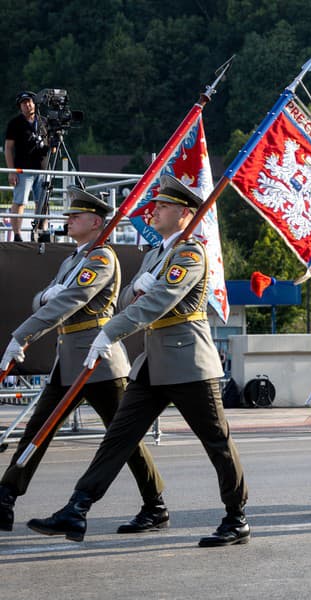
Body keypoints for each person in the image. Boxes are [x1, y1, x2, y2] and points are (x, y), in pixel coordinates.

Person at [27, 175, 250, 546]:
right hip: (153, 363)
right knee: (118, 437)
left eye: (163, 206)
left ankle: (236, 516)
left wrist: (109, 332)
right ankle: (78, 508)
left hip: (188, 363)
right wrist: (139, 286)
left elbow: (156, 302)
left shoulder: (190, 253)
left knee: (217, 443)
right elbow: (128, 295)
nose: (155, 210)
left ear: (184, 213)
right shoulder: (155, 255)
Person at [0, 187, 164, 534]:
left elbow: (68, 302)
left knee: (123, 439)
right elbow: (42, 300)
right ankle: (6, 498)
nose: (68, 220)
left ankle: (155, 504)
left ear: (95, 222)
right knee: (37, 432)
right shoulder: (71, 260)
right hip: (69, 360)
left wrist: (22, 335)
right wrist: (44, 294)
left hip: (100, 362)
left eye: (76, 216)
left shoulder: (101, 259)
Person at [4, 91, 49, 241]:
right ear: (20, 107)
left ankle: (40, 232)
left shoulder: (44, 121)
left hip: (42, 168)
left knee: (42, 202)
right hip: (23, 169)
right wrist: (11, 171)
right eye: (24, 103)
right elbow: (8, 148)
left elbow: (52, 146)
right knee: (20, 201)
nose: (28, 105)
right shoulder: (15, 123)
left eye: (30, 101)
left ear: (35, 103)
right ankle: (17, 235)